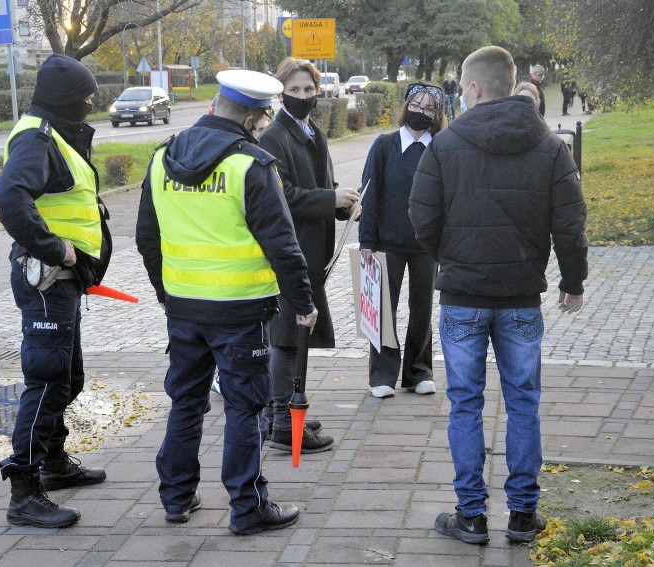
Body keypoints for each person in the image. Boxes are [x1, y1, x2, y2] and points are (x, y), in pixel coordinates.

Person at [409, 45, 588, 545]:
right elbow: (570, 225)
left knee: (465, 403)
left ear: (472, 88)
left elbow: (421, 218)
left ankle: (470, 516)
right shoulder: (551, 146)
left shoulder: (443, 146)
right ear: (511, 85)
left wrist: (451, 257)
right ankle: (523, 515)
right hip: (520, 297)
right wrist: (572, 283)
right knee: (524, 401)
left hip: (462, 295)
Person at [135, 69, 318, 535]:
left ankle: (176, 498)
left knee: (186, 400)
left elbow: (146, 238)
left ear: (215, 105)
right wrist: (303, 302)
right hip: (239, 311)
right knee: (244, 407)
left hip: (184, 309)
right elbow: (282, 243)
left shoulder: (162, 159)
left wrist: (166, 293)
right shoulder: (251, 166)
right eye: (262, 115)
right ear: (255, 115)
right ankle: (247, 506)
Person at [0, 54, 113, 528]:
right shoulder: (36, 138)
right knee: (47, 381)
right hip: (46, 279)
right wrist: (55, 249)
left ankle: (55, 462)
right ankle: (24, 492)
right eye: (85, 98)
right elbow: (9, 198)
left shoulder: (55, 132)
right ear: (67, 99)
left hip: (65, 282)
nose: (90, 104)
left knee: (68, 377)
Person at [258, 57, 359, 454]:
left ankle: (279, 410)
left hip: (311, 249)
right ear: (281, 92)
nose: (302, 96)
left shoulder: (312, 130)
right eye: (294, 90)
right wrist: (329, 198)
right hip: (288, 249)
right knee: (285, 336)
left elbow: (321, 185)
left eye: (308, 89)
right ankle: (283, 419)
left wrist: (343, 203)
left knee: (297, 333)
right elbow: (279, 197)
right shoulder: (273, 137)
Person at [358, 83, 444, 399]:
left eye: (429, 108)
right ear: (405, 106)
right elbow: (369, 194)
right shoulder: (383, 146)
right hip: (386, 243)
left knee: (422, 309)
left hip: (427, 246)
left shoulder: (440, 149)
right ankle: (382, 373)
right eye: (416, 104)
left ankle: (418, 371)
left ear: (438, 116)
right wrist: (366, 239)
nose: (421, 112)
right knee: (383, 309)